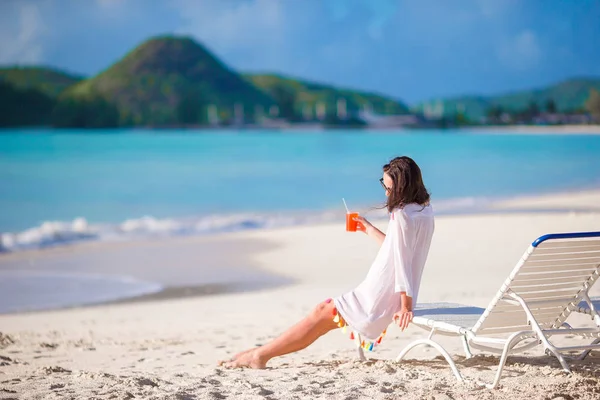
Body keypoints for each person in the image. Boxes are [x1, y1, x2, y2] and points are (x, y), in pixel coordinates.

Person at [220, 156, 435, 369]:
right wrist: (368, 229)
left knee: (322, 312)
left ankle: (260, 356)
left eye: (389, 188)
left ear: (402, 187)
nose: (386, 193)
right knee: (322, 314)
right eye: (384, 185)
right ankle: (259, 353)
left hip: (382, 295)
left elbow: (403, 260)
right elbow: (399, 249)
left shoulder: (401, 214)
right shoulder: (424, 210)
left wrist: (405, 307)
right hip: (391, 291)